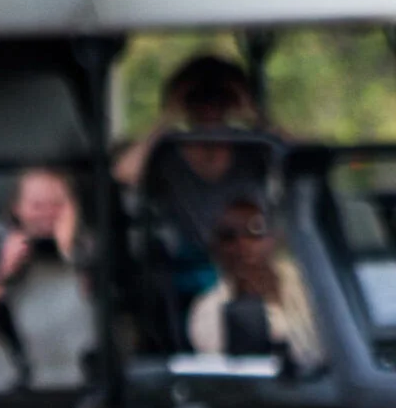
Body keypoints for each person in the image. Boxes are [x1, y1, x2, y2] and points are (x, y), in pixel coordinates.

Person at [115, 54, 273, 293]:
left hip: (251, 258)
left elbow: (305, 158)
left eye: (220, 96)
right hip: (187, 271)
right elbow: (124, 174)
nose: (210, 106)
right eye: (198, 97)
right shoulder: (168, 151)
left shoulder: (252, 147)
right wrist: (167, 118)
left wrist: (254, 115)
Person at [0, 169, 90, 377]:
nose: (47, 214)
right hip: (9, 373)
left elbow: (93, 320)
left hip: (71, 369)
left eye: (57, 205)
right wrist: (4, 273)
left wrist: (68, 255)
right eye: (37, 206)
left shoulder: (87, 246)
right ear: (17, 208)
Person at [187, 198, 321, 371]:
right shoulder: (207, 309)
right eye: (229, 236)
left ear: (272, 238)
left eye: (255, 231)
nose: (243, 244)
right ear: (216, 249)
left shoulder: (310, 285)